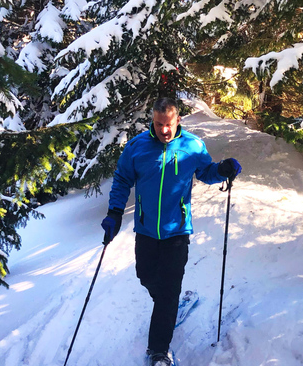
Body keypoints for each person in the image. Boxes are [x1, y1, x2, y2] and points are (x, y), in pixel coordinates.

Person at [100, 97, 241, 366]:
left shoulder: (192, 145)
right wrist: (114, 213)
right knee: (146, 276)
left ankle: (158, 350)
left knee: (168, 290)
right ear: (153, 120)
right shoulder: (137, 147)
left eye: (169, 124)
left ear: (178, 120)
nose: (164, 129)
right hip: (146, 229)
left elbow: (206, 172)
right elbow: (121, 180)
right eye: (159, 123)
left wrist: (222, 170)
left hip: (177, 231)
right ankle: (169, 306)